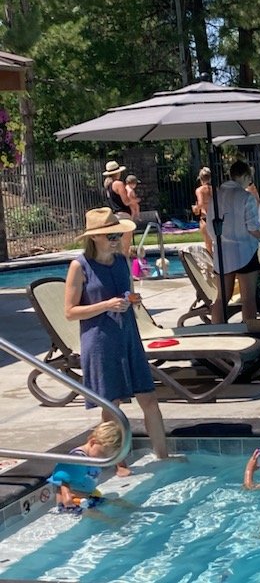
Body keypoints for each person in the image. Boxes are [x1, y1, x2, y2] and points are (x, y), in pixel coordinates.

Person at [65, 207, 169, 475]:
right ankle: (117, 462)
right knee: (112, 405)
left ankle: (163, 456)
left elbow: (128, 295)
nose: (115, 239)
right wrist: (106, 305)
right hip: (100, 341)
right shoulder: (80, 266)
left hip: (128, 337)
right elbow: (70, 311)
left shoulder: (122, 262)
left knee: (149, 399)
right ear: (95, 238)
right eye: (110, 235)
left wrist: (132, 301)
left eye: (117, 234)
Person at [206, 160, 260, 324]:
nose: (249, 182)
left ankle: (217, 332)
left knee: (222, 298)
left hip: (223, 252)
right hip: (245, 251)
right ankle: (250, 332)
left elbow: (211, 227)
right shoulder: (246, 197)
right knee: (248, 298)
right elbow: (253, 228)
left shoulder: (214, 198)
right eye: (249, 178)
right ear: (245, 176)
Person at [48, 421, 124, 513]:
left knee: (119, 503)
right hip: (72, 502)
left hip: (86, 497)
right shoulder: (78, 457)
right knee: (102, 518)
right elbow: (63, 478)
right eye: (102, 454)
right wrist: (66, 495)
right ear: (92, 442)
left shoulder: (92, 457)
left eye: (107, 457)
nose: (103, 458)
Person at [102, 160, 135, 255]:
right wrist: (133, 200)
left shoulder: (108, 185)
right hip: (124, 216)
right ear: (118, 172)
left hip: (115, 216)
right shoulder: (118, 184)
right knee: (125, 248)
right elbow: (126, 201)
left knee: (117, 247)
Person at [192, 166, 213, 255]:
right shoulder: (215, 189)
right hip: (216, 217)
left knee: (208, 246)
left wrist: (195, 208)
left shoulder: (199, 190)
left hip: (206, 218)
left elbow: (200, 203)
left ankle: (212, 266)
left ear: (200, 179)